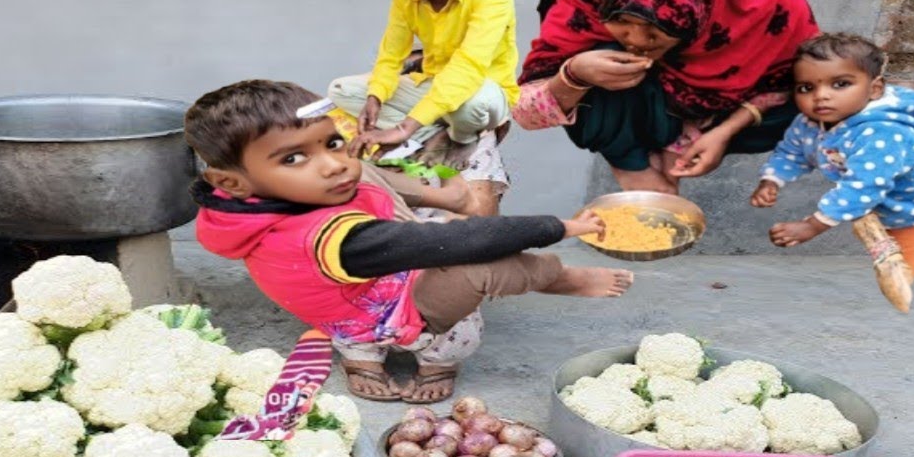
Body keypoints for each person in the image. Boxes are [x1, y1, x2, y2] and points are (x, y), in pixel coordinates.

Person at [186, 80, 633, 404]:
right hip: (373, 310)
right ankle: (549, 285)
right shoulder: (334, 241)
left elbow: (373, 182)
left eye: (333, 142)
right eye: (295, 157)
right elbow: (460, 241)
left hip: (345, 295)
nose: (334, 164)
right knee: (481, 266)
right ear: (232, 181)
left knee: (379, 183)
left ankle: (363, 353)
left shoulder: (247, 203)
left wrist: (438, 193)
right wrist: (559, 227)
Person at [512, 0, 819, 194]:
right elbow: (525, 113)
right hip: (632, 110)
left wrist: (723, 133)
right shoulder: (581, 6)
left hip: (718, 108)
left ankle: (682, 143)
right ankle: (631, 163)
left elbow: (801, 82)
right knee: (603, 54)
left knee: (817, 97)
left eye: (656, 27)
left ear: (699, 2)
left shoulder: (769, 3)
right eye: (619, 21)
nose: (637, 40)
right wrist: (574, 75)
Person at [749, 33, 914, 277]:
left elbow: (863, 185)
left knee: (898, 276)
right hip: (877, 201)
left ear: (875, 89)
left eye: (840, 84)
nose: (821, 96)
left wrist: (812, 225)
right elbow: (792, 152)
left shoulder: (884, 133)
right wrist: (772, 180)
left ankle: (889, 262)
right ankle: (876, 230)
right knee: (868, 218)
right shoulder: (809, 123)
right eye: (806, 88)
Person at [328, 0, 520, 215]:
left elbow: (468, 65)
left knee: (470, 106)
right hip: (431, 87)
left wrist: (404, 128)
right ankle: (434, 133)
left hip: (483, 91)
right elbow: (391, 56)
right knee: (342, 90)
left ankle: (461, 138)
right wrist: (376, 97)